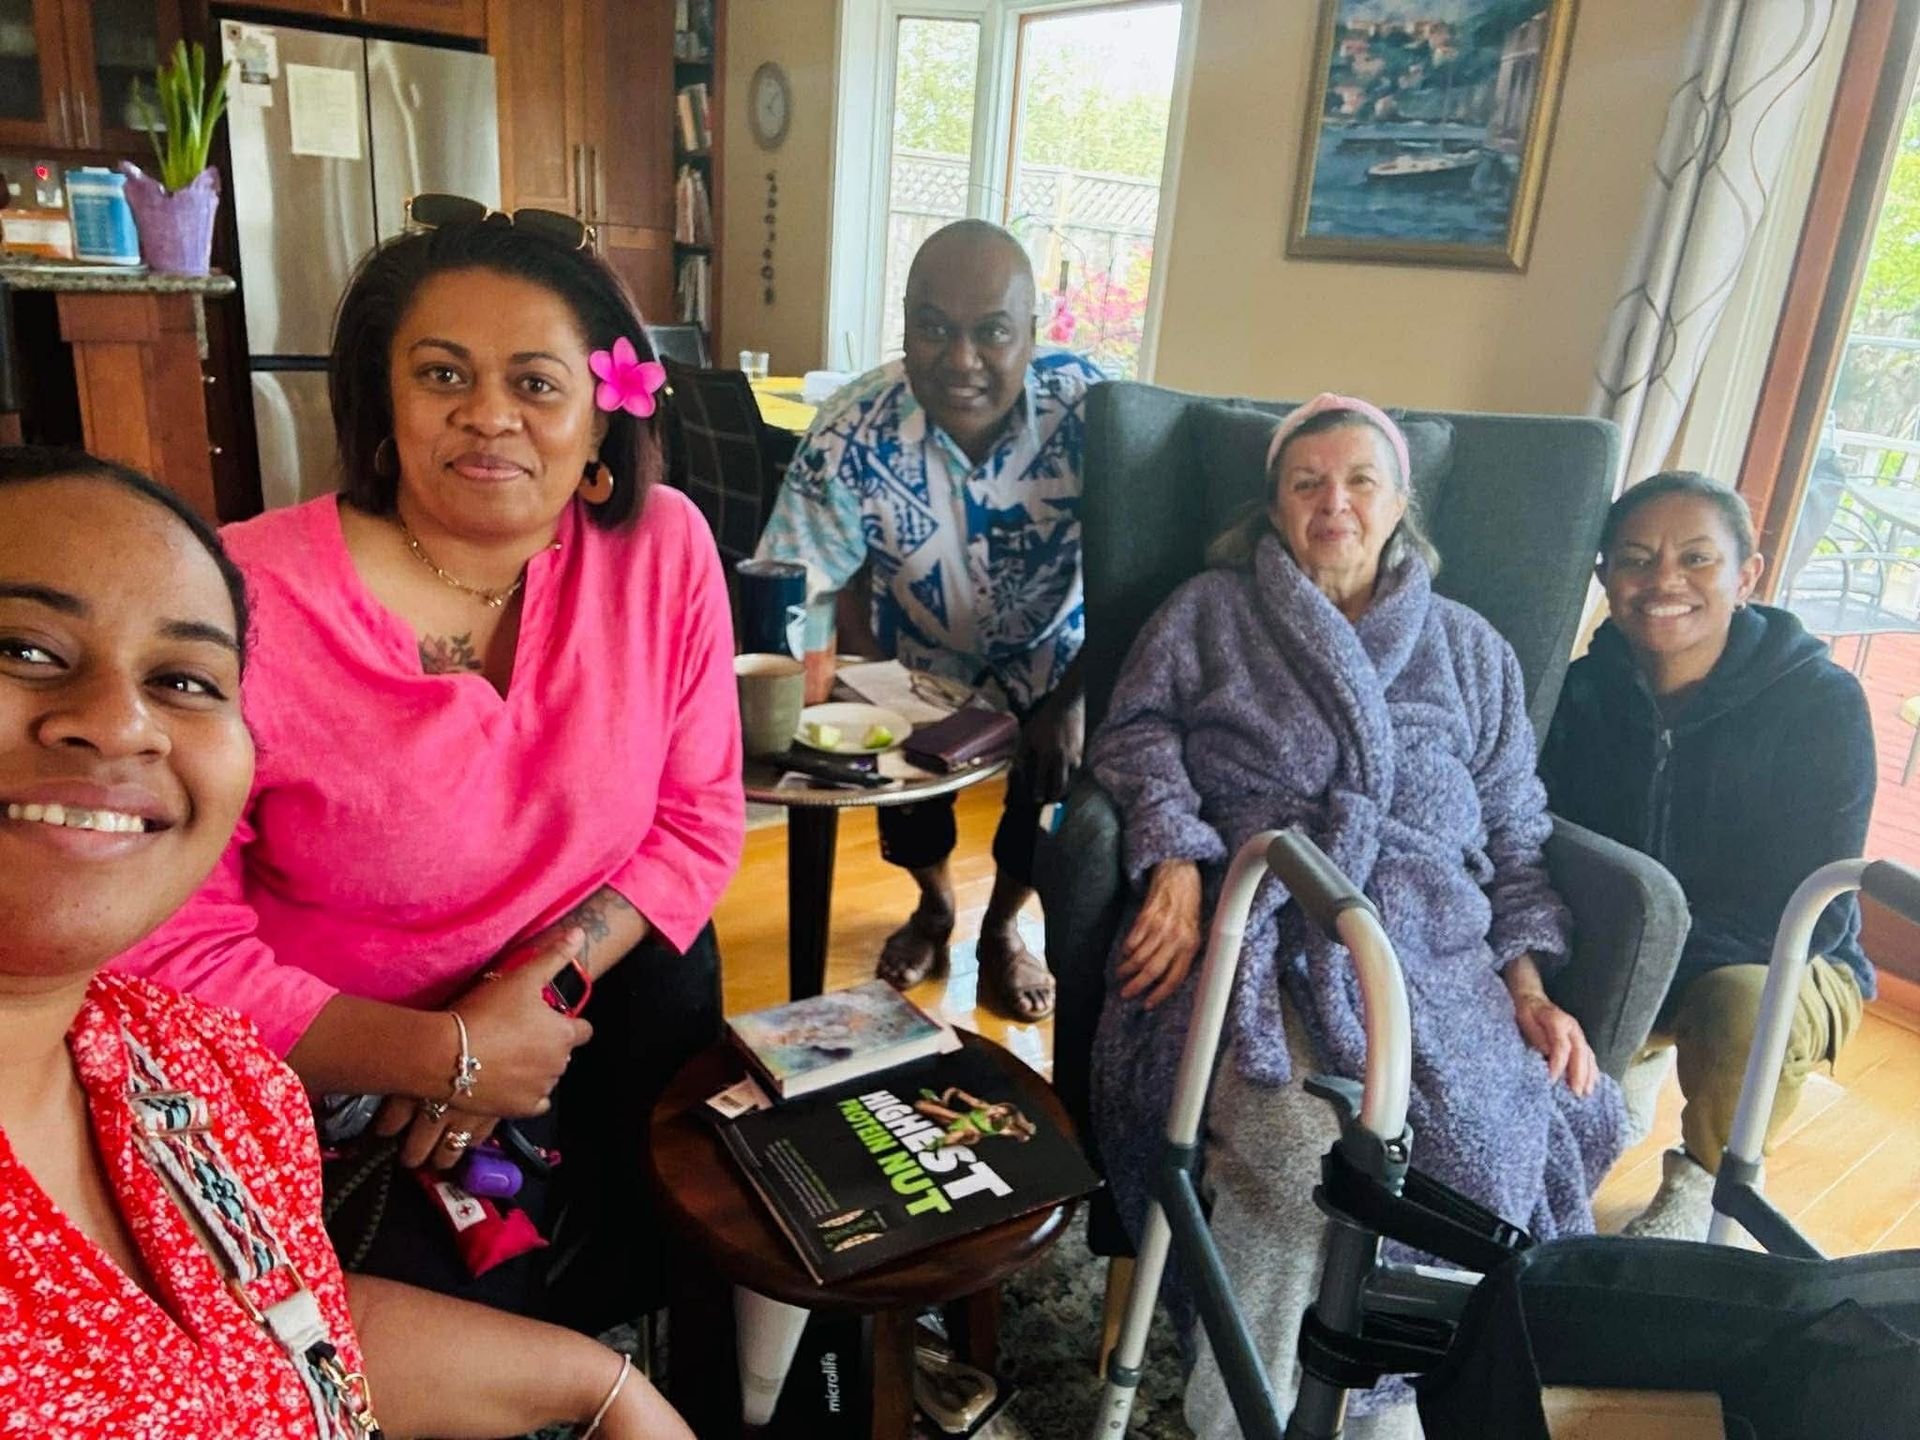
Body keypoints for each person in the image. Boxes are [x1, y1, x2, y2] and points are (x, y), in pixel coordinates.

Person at [117, 214, 744, 1327]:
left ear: (606, 410)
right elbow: (163, 942)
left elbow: (694, 822)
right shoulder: (236, 597)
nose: (488, 415)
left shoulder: (663, 551)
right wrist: (441, 1057)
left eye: (537, 382)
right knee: (407, 1361)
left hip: (566, 1015)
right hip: (320, 1070)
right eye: (442, 373)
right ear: (383, 400)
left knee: (691, 1238)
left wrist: (526, 1001)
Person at [0, 446, 691, 1438]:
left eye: (186, 680)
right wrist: (448, 1056)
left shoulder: (204, 1074)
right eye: (25, 650)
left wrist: (602, 1388)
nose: (120, 724)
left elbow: (277, 1329)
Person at [1086, 394, 1624, 1437]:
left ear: (1399, 501)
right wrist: (1181, 862)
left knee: (1490, 1164)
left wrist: (1528, 984)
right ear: (1274, 507)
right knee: (1300, 1177)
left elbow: (1516, 828)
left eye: (1360, 480)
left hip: (1435, 953)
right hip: (1261, 934)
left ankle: (1399, 1406)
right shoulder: (1209, 612)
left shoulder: (1473, 651)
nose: (1335, 501)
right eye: (1307, 482)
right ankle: (1244, 1412)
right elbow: (1136, 735)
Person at [756, 220, 1102, 1022]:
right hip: (914, 653)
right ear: (906, 323)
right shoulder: (850, 431)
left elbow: (1140, 573)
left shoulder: (1093, 411)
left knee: (1038, 809)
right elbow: (792, 586)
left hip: (1057, 653)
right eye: (934, 328)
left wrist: (1076, 702)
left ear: (1033, 334)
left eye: (992, 332)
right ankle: (936, 911)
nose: (962, 359)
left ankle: (1003, 931)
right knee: (908, 802)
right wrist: (825, 700)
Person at [1541, 471, 1872, 1238]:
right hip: (1625, 950)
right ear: (1604, 576)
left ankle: (1702, 1179)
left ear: (1746, 575)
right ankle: (1636, 1060)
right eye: (1635, 559)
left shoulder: (1822, 703)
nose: (1664, 582)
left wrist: (1640, 984)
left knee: (1736, 1013)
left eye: (1696, 559)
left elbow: (1811, 914)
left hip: (1784, 956)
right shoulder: (1578, 694)